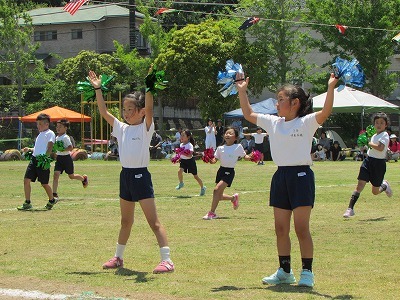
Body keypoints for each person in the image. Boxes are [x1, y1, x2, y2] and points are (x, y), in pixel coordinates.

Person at [236, 69, 339, 287]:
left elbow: (326, 111)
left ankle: (307, 273)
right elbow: (248, 114)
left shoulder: (307, 122)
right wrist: (242, 91)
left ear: (295, 103)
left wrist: (330, 87)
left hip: (301, 176)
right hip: (280, 175)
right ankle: (285, 271)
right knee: (280, 228)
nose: (276, 104)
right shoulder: (274, 123)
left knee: (301, 228)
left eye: (281, 99)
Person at [88, 69, 174, 274]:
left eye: (130, 109)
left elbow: (151, 106)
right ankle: (118, 257)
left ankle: (167, 260)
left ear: (142, 111)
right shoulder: (121, 128)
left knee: (153, 222)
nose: (126, 113)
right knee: (125, 221)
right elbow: (103, 112)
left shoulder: (145, 127)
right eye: (124, 109)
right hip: (125, 176)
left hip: (140, 177)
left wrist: (150, 86)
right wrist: (98, 89)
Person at [343, 112, 393, 218]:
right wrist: (363, 145)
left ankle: (384, 186)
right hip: (368, 161)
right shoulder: (374, 135)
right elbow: (370, 147)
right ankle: (350, 209)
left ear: (386, 125)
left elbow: (380, 148)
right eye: (376, 122)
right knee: (360, 184)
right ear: (373, 124)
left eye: (381, 123)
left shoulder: (385, 135)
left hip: (379, 164)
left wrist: (369, 143)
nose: (379, 125)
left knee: (375, 191)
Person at [202, 127, 252, 220]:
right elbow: (214, 160)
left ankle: (212, 213)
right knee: (219, 196)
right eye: (226, 133)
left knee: (216, 190)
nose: (227, 135)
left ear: (236, 138)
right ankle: (233, 198)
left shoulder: (238, 147)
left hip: (229, 172)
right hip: (221, 171)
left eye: (230, 133)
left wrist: (252, 157)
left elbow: (245, 157)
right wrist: (209, 159)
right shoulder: (220, 148)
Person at [18, 113, 56, 210]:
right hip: (34, 160)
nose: (38, 126)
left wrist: (45, 158)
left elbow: (50, 146)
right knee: (26, 180)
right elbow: (38, 148)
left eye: (40, 124)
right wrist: (30, 149)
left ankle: (52, 199)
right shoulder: (40, 134)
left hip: (42, 161)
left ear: (46, 124)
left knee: (44, 183)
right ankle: (27, 202)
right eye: (37, 124)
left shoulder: (50, 133)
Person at [52, 118, 88, 200]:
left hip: (67, 159)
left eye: (60, 126)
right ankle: (54, 194)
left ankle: (84, 178)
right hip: (59, 159)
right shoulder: (57, 137)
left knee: (71, 176)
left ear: (65, 128)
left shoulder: (65, 137)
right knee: (55, 175)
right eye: (57, 126)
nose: (58, 128)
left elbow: (71, 147)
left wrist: (63, 150)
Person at [175, 129, 206, 196]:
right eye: (181, 135)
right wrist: (178, 158)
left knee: (195, 176)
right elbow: (181, 154)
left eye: (183, 135)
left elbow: (190, 155)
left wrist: (182, 152)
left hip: (190, 162)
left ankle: (203, 188)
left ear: (188, 137)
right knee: (179, 171)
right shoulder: (181, 145)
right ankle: (181, 183)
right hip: (183, 161)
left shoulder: (190, 145)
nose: (181, 137)